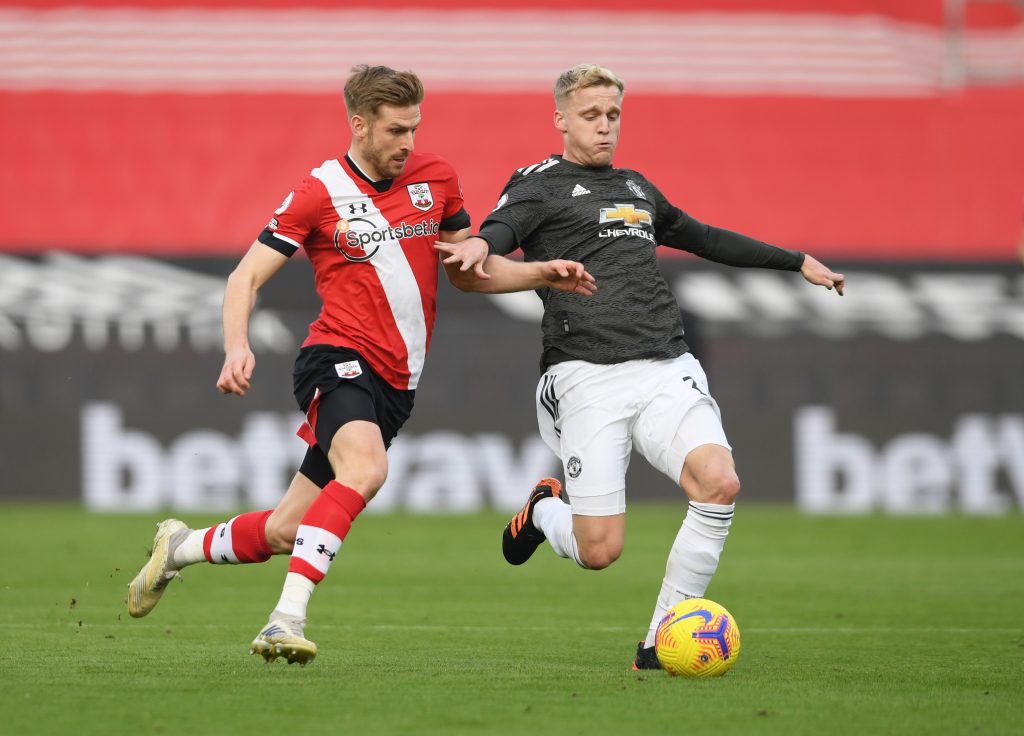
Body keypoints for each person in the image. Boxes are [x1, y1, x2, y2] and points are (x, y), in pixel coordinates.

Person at [126, 64, 596, 666]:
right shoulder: (319, 191)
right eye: (396, 130)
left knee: (286, 531)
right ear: (359, 125)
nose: (408, 142)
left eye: (414, 129)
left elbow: (464, 273)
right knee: (367, 469)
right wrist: (236, 344)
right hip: (335, 357)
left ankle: (179, 547)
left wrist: (538, 273)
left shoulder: (437, 177)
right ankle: (283, 620)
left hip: (398, 383)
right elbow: (244, 276)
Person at [436, 63, 845, 669]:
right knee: (599, 550)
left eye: (613, 116)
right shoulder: (540, 182)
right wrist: (481, 244)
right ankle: (546, 508)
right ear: (561, 120)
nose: (605, 128)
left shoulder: (637, 188)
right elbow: (504, 227)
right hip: (584, 373)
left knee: (720, 483)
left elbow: (704, 236)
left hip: (665, 366)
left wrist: (796, 261)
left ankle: (659, 642)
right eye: (591, 116)